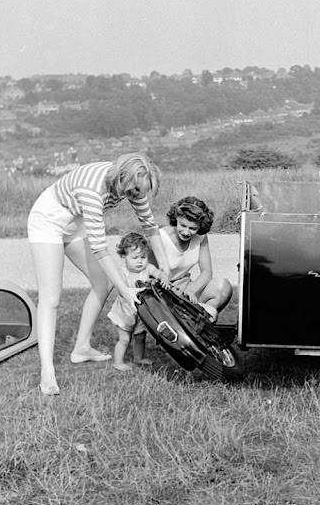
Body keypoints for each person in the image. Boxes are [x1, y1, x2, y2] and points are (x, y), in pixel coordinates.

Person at [27, 153, 170, 396]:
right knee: (51, 298)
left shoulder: (134, 184)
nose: (137, 196)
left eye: (142, 192)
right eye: (135, 191)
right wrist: (126, 291)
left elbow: (149, 225)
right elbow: (100, 250)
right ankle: (47, 371)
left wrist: (165, 266)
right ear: (123, 178)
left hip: (75, 222)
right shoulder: (93, 189)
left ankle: (81, 348)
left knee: (102, 284)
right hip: (48, 220)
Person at [151, 196, 232, 323]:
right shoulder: (160, 237)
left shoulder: (201, 237)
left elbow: (207, 272)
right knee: (209, 313)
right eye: (183, 225)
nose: (186, 232)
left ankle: (199, 325)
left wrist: (192, 289)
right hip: (165, 292)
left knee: (223, 286)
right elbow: (148, 273)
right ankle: (193, 323)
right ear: (176, 218)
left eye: (193, 228)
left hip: (186, 287)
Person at [107, 232, 168, 372]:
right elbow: (120, 287)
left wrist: (162, 276)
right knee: (124, 339)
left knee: (140, 336)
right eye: (135, 257)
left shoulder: (147, 269)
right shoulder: (122, 272)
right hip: (125, 312)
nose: (140, 261)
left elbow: (158, 273)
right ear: (124, 256)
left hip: (141, 313)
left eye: (143, 257)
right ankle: (118, 362)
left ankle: (138, 358)